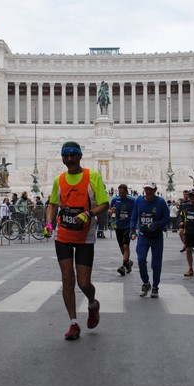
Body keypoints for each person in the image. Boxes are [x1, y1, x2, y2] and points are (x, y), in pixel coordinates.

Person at [43, 141, 109, 340]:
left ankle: (92, 303)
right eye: (66, 155)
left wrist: (88, 214)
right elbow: (53, 204)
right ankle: (73, 322)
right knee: (67, 279)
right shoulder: (59, 180)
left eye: (73, 155)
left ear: (80, 156)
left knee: (83, 282)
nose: (69, 159)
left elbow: (105, 204)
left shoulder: (92, 176)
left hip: (85, 236)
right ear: (62, 158)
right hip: (63, 234)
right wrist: (48, 223)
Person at [130, 181, 170, 298]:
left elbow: (167, 218)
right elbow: (134, 216)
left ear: (155, 190)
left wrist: (158, 224)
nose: (148, 191)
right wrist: (132, 230)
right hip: (143, 236)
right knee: (141, 260)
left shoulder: (161, 202)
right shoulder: (138, 201)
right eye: (146, 189)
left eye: (150, 189)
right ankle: (146, 282)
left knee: (156, 264)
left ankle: (155, 286)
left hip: (156, 237)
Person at [109, 184, 135, 276]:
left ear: (126, 192)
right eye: (120, 193)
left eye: (123, 193)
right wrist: (111, 210)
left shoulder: (132, 200)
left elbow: (135, 212)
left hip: (128, 225)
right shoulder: (115, 199)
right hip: (118, 225)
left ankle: (124, 266)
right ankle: (128, 262)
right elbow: (109, 210)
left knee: (125, 246)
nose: (121, 195)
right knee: (121, 246)